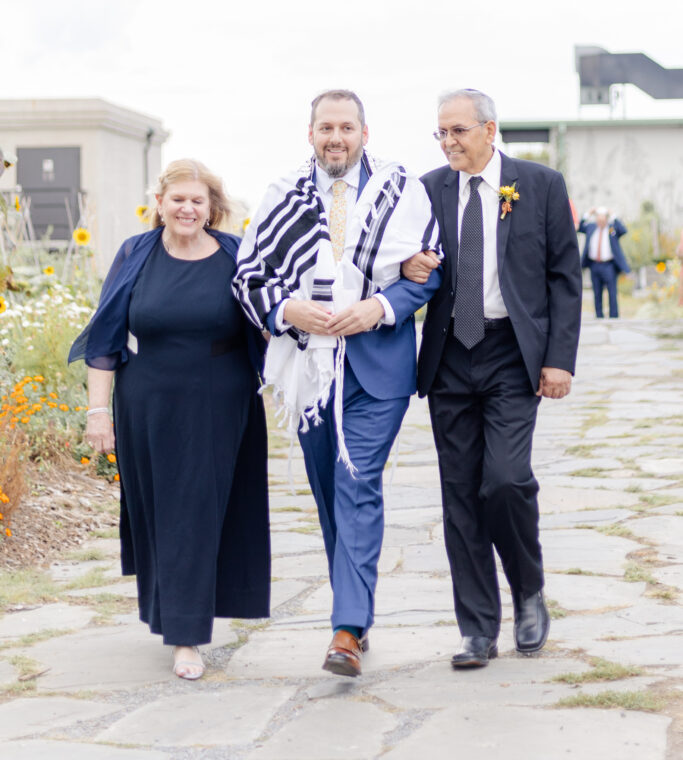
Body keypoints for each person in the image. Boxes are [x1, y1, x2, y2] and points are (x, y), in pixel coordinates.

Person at [233, 90, 440, 677]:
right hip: (309, 369)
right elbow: (250, 277)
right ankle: (357, 607)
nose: (336, 138)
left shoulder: (402, 192)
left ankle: (345, 629)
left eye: (346, 128)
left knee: (357, 482)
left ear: (364, 134)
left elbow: (427, 271)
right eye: (326, 128)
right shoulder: (282, 197)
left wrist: (378, 307)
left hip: (378, 370)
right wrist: (287, 311)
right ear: (311, 135)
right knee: (328, 492)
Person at [69, 159, 270, 680]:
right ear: (158, 204)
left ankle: (186, 637)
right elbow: (105, 339)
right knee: (162, 512)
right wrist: (97, 413)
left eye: (198, 200)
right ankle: (174, 618)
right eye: (177, 199)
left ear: (212, 208)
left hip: (220, 402)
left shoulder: (235, 254)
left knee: (196, 511)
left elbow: (271, 314)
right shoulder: (135, 254)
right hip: (148, 402)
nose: (187, 208)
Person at [403, 89, 582, 669]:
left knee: (504, 481)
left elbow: (564, 278)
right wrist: (407, 266)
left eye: (458, 131)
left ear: (490, 129)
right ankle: (478, 628)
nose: (449, 142)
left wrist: (559, 359)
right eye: (441, 133)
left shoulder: (541, 185)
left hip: (511, 352)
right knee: (460, 495)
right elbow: (403, 257)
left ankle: (528, 591)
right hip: (451, 351)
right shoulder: (427, 190)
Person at [578, 206, 630, 318]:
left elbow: (623, 230)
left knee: (612, 293)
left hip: (609, 265)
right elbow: (580, 227)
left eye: (603, 218)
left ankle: (613, 317)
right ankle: (599, 316)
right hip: (594, 265)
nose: (600, 221)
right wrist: (588, 213)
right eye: (598, 218)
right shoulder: (591, 227)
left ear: (606, 219)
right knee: (597, 292)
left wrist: (613, 215)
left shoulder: (612, 229)